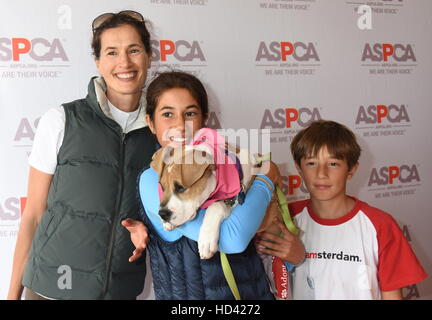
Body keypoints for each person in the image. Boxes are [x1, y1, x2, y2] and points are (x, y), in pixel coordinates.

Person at [7, 11, 157, 300]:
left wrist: (270, 172)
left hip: (119, 291)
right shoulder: (62, 119)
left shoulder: (162, 132)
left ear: (149, 56)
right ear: (98, 62)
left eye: (134, 50)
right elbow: (33, 215)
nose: (124, 62)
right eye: (112, 52)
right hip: (51, 290)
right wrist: (12, 295)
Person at [137, 71, 305, 299]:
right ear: (150, 122)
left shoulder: (223, 162)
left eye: (190, 113)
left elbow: (263, 229)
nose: (180, 125)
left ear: (204, 119)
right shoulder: (152, 180)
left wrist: (293, 256)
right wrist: (266, 177)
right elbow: (233, 239)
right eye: (168, 114)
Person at [257, 120, 427, 299]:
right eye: (312, 163)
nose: (321, 173)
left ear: (352, 170)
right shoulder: (283, 218)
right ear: (299, 168)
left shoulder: (381, 225)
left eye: (333, 164)